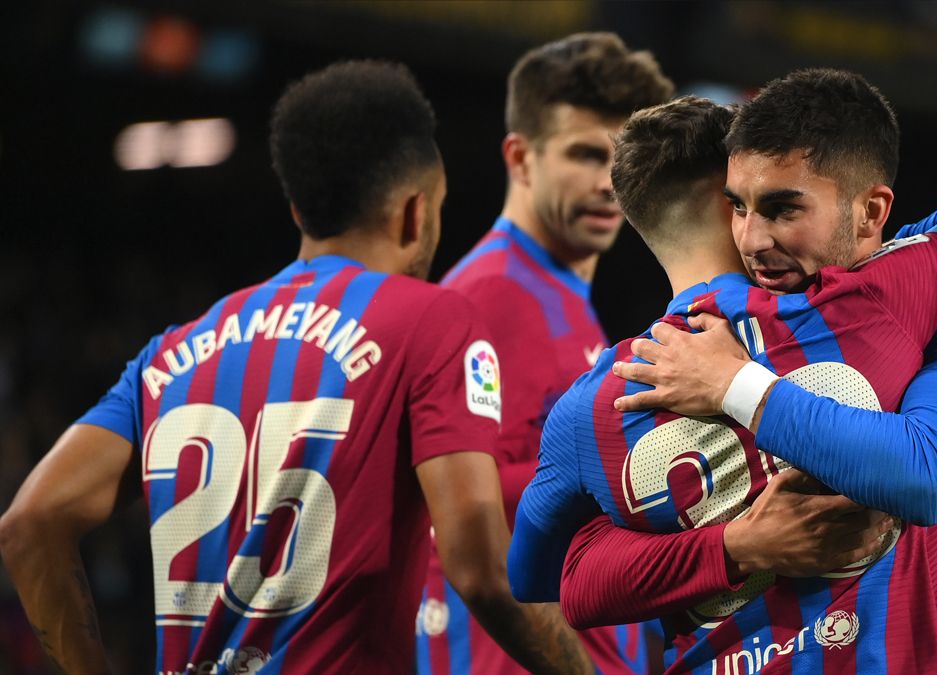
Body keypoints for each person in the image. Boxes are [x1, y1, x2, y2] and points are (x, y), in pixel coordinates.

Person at [0, 60, 590, 675]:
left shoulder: (172, 351)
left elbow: (29, 522)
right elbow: (484, 573)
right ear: (416, 211)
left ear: (298, 212)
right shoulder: (433, 322)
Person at [510, 71, 937, 673]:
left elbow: (547, 576)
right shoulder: (897, 301)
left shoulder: (599, 399)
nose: (753, 237)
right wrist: (740, 544)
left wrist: (735, 393)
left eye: (780, 207)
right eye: (738, 206)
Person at [417, 33, 674, 675]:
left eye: (622, 159)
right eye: (585, 154)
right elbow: (470, 516)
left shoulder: (557, 295)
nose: (609, 182)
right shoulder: (492, 297)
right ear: (521, 157)